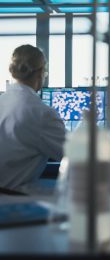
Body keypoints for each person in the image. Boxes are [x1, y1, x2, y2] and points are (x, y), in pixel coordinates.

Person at [0, 44, 66, 190]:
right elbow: (75, 154)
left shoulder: (3, 101)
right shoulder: (41, 113)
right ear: (41, 72)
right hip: (11, 198)